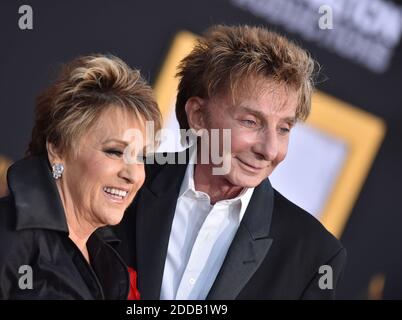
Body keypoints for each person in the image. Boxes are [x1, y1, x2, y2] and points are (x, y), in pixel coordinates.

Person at [114, 25, 347, 299]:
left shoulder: (313, 255)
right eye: (251, 122)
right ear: (198, 116)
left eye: (284, 129)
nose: (270, 150)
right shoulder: (123, 183)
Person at [0, 54, 162, 299]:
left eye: (140, 157)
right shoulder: (4, 238)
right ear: (58, 148)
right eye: (115, 151)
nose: (132, 174)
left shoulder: (107, 264)